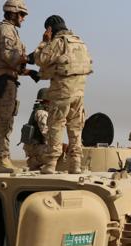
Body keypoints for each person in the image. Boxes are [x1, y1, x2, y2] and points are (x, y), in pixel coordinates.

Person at [33, 15, 93, 174]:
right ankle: (75, 165)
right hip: (79, 93)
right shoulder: (80, 43)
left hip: (62, 92)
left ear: (50, 29)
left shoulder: (58, 42)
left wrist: (44, 42)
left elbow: (40, 58)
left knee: (56, 124)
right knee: (75, 128)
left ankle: (51, 164)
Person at [0, 0, 38, 173]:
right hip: (4, 81)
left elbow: (12, 64)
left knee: (6, 121)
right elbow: (9, 57)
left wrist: (29, 72)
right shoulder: (5, 29)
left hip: (8, 79)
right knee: (3, 121)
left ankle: (1, 157)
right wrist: (33, 56)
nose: (23, 18)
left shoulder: (9, 30)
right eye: (22, 14)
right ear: (13, 13)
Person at [22, 88, 49, 171]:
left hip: (32, 146)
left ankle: (35, 162)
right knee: (58, 150)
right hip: (36, 147)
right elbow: (45, 132)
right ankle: (35, 161)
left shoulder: (37, 111)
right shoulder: (42, 113)